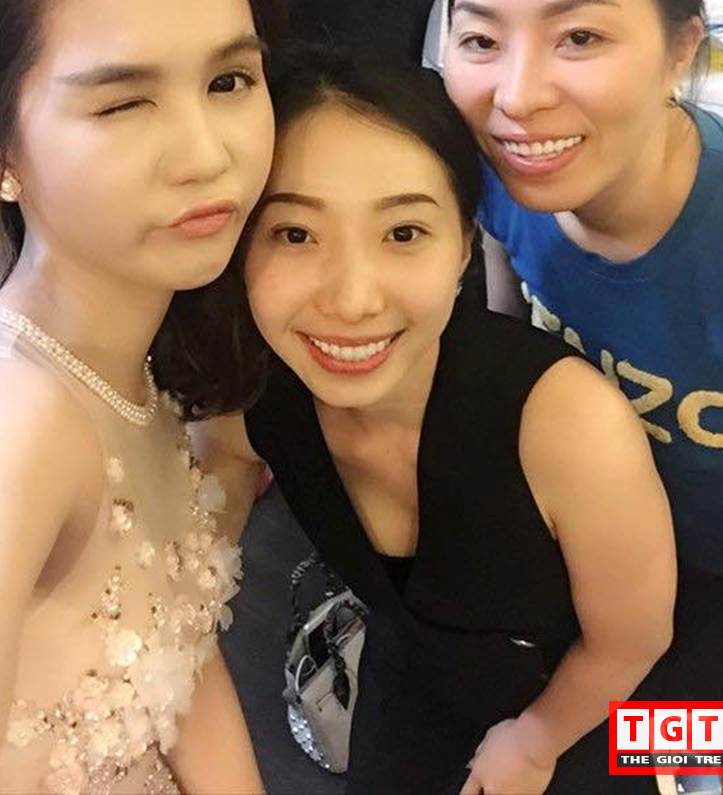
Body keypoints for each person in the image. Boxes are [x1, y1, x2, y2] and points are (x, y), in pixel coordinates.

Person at [196, 45, 676, 795]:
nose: (352, 300)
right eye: (294, 233)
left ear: (461, 249)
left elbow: (635, 641)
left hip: (599, 707)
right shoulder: (252, 404)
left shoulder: (568, 424)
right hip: (414, 675)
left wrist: (537, 742)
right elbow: (189, 579)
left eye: (403, 233)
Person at [0, 0, 287, 795]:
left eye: (228, 80)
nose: (207, 153)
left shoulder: (124, 361)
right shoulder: (3, 422)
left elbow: (178, 656)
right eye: (123, 102)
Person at [441, 0, 723, 792]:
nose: (517, 98)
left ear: (680, 47)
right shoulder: (499, 174)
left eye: (579, 36)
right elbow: (506, 348)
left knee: (625, 757)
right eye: (481, 38)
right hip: (579, 535)